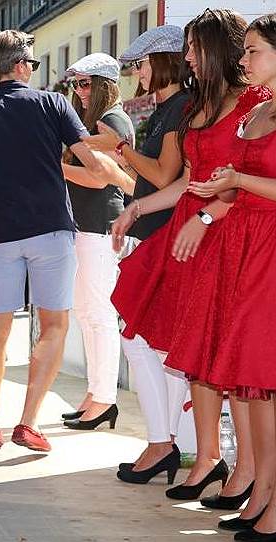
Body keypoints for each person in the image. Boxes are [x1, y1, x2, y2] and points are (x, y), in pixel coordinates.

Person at [110, 9, 269, 503]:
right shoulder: (200, 105)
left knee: (231, 362)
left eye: (196, 48)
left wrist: (206, 219)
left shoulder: (256, 101)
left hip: (227, 234)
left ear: (219, 48)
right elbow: (185, 182)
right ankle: (207, 459)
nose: (188, 58)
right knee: (198, 356)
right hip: (192, 230)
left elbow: (241, 179)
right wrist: (137, 207)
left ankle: (244, 472)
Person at [0, 29, 120, 451]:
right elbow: (91, 161)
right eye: (34, 64)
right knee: (55, 324)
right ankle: (27, 422)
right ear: (22, 65)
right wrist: (125, 178)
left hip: (0, 233)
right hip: (51, 230)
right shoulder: (54, 104)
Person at [165, 14, 276, 537]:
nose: (245, 61)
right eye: (245, 52)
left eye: (253, 52)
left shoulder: (254, 106)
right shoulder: (258, 109)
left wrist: (222, 197)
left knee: (257, 377)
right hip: (242, 240)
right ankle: (257, 486)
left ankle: (262, 491)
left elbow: (246, 185)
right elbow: (211, 181)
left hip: (262, 241)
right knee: (249, 377)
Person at [84, 26, 190, 483]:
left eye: (143, 64)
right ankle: (169, 443)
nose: (138, 72)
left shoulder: (179, 109)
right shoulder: (171, 109)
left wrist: (123, 150)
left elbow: (166, 176)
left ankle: (167, 444)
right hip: (154, 235)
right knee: (148, 343)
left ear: (164, 61)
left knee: (144, 341)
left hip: (163, 237)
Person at [59, 53, 135, 432]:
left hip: (100, 228)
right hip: (90, 228)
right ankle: (97, 394)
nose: (79, 91)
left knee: (99, 316)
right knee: (90, 315)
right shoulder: (100, 123)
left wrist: (54, 165)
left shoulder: (112, 120)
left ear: (105, 84)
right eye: (75, 84)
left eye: (86, 83)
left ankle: (104, 399)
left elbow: (98, 178)